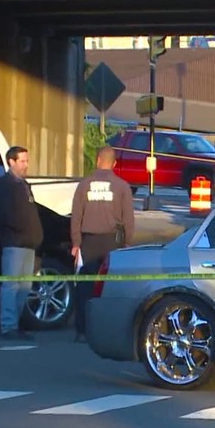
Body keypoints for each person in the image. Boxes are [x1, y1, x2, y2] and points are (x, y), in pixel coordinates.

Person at [70, 145, 135, 342]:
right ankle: (108, 330)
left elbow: (76, 217)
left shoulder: (84, 184)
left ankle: (82, 330)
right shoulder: (122, 186)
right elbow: (128, 220)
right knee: (110, 287)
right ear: (114, 163)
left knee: (84, 288)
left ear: (98, 160)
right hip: (112, 242)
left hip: (89, 241)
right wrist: (127, 242)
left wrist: (76, 242)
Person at [0, 145, 43, 341]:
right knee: (11, 286)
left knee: (24, 286)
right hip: (14, 243)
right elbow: (6, 215)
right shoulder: (6, 184)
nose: (26, 165)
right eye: (22, 161)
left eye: (27, 160)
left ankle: (16, 324)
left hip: (28, 244)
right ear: (11, 162)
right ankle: (8, 326)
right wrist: (21, 230)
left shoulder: (24, 184)